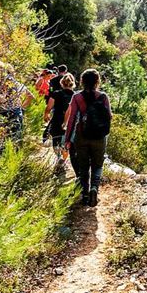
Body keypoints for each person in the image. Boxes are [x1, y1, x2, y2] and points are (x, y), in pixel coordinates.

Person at [65, 69, 112, 207]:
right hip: (99, 137)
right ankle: (94, 189)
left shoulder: (77, 97)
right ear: (97, 81)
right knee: (97, 165)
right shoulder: (103, 96)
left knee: (83, 167)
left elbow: (72, 119)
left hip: (82, 135)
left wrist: (68, 139)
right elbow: (109, 116)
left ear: (82, 81)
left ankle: (85, 194)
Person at [44, 73, 76, 173]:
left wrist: (46, 114)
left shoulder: (56, 93)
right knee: (66, 143)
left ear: (62, 83)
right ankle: (63, 161)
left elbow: (49, 107)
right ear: (73, 84)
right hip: (71, 122)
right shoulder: (76, 96)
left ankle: (59, 158)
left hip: (57, 120)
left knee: (56, 141)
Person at [0, 62, 34, 140]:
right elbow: (30, 96)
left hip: (6, 114)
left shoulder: (6, 81)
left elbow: (1, 99)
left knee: (5, 140)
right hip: (16, 112)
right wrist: (21, 108)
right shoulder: (16, 82)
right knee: (14, 140)